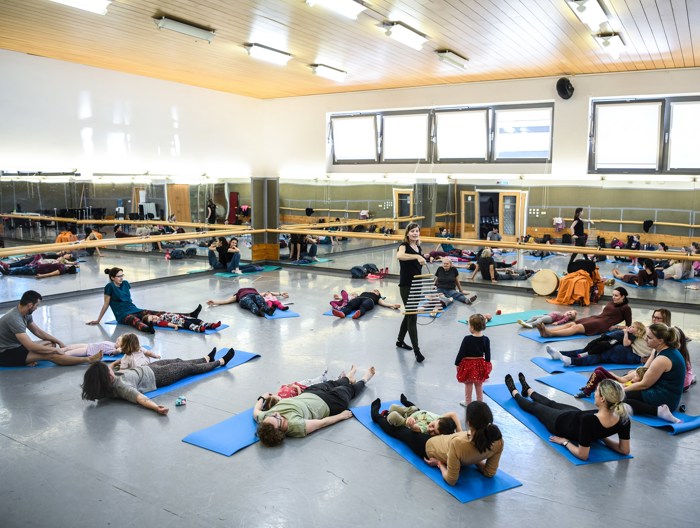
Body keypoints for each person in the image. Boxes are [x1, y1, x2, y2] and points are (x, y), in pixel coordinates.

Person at [371, 398, 503, 485]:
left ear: (469, 423)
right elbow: (489, 472)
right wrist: (475, 460)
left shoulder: (459, 444)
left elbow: (451, 480)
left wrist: (440, 464)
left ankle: (376, 416)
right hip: (446, 440)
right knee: (421, 418)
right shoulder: (497, 440)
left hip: (428, 445)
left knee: (398, 431)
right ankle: (409, 408)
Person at [504, 373, 630, 461]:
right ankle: (528, 389)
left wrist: (565, 442)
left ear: (602, 399)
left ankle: (514, 392)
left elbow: (583, 455)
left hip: (559, 422)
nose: (594, 393)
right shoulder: (624, 418)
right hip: (575, 414)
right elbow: (624, 450)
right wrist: (602, 437)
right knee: (551, 403)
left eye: (596, 391)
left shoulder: (590, 421)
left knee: (535, 407)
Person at [81, 346, 236, 415]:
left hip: (149, 368)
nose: (110, 369)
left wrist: (113, 363)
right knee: (189, 368)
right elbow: (140, 398)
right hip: (159, 377)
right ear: (107, 377)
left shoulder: (110, 379)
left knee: (177, 360)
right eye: (108, 370)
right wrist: (156, 408)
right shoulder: (122, 387)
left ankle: (206, 358)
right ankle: (221, 362)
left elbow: (110, 369)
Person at [254, 365, 376, 446]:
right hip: (330, 403)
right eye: (276, 417)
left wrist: (262, 398)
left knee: (335, 383)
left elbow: (256, 412)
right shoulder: (296, 425)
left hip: (311, 392)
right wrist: (341, 416)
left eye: (271, 415)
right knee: (349, 390)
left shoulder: (266, 419)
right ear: (280, 430)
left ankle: (349, 377)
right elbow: (321, 423)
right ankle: (365, 379)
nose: (275, 413)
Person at [0, 290, 103, 367]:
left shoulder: (25, 313)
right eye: (36, 305)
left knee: (50, 343)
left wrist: (58, 341)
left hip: (17, 346)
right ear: (30, 305)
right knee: (51, 354)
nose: (36, 308)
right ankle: (88, 359)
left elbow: (37, 331)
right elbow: (30, 346)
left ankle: (31, 358)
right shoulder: (14, 319)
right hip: (5, 354)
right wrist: (55, 350)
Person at [87, 267, 203, 333]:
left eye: (122, 275)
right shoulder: (109, 287)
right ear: (112, 277)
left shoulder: (126, 283)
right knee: (135, 321)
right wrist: (98, 320)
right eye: (119, 276)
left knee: (159, 313)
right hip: (122, 314)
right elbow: (106, 304)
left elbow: (128, 300)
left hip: (134, 309)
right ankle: (148, 329)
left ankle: (189, 315)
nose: (121, 278)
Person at [618, 324, 686, 422]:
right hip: (658, 390)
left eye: (649, 338)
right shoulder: (658, 349)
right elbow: (643, 370)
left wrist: (621, 390)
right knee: (620, 396)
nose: (645, 339)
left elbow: (644, 385)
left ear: (660, 341)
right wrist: (624, 380)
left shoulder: (662, 359)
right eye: (646, 336)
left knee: (617, 400)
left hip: (666, 400)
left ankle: (658, 411)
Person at [546, 321, 653, 367]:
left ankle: (572, 361)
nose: (655, 319)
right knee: (593, 347)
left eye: (658, 318)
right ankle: (560, 354)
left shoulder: (654, 335)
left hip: (632, 353)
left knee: (602, 354)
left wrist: (646, 360)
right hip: (623, 343)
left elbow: (656, 353)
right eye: (654, 317)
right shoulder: (647, 328)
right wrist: (618, 328)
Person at [536, 287, 632, 338]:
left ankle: (550, 333)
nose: (613, 297)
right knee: (572, 324)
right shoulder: (611, 302)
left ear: (623, 296)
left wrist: (616, 327)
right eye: (613, 295)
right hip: (597, 318)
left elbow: (629, 326)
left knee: (576, 328)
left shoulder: (626, 308)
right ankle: (547, 331)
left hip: (603, 324)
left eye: (616, 296)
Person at [396, 223, 428, 362]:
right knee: (412, 316)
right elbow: (400, 256)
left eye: (417, 231)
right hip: (406, 285)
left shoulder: (418, 247)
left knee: (410, 314)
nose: (415, 233)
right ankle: (417, 351)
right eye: (412, 231)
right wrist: (416, 257)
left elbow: (416, 262)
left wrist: (422, 258)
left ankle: (400, 340)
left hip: (417, 284)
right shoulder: (403, 246)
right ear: (407, 233)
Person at [455, 314, 492, 406]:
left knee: (468, 384)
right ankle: (480, 402)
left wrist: (457, 363)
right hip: (480, 365)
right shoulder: (486, 339)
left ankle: (468, 402)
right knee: (479, 384)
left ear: (472, 327)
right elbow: (488, 354)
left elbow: (461, 352)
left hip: (468, 365)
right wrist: (487, 365)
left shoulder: (467, 339)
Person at [384, 394, 462, 435]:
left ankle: (387, 416)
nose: (430, 429)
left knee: (393, 416)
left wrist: (412, 425)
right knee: (393, 407)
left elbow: (416, 428)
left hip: (406, 422)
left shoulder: (425, 429)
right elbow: (453, 414)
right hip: (412, 411)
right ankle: (402, 407)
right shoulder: (440, 419)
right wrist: (459, 430)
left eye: (434, 432)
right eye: (432, 426)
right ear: (438, 419)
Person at [261, 368, 330, 410]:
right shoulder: (286, 401)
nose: (274, 395)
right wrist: (297, 387)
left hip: (295, 385)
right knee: (311, 385)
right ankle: (323, 381)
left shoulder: (276, 395)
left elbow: (280, 390)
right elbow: (299, 397)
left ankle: (321, 377)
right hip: (300, 389)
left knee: (308, 380)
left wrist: (286, 386)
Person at [576, 366, 648, 398]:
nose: (634, 376)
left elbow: (622, 387)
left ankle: (587, 392)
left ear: (641, 379)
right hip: (616, 383)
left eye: (636, 376)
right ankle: (589, 386)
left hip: (615, 388)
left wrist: (614, 380)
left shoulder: (636, 385)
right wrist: (614, 375)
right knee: (599, 368)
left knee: (598, 373)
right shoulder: (633, 381)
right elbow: (623, 380)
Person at [331, 289, 400, 319]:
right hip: (359, 298)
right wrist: (339, 298)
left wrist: (392, 305)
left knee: (363, 306)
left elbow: (383, 303)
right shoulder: (364, 293)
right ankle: (343, 314)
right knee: (350, 305)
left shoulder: (378, 298)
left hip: (369, 300)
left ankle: (358, 314)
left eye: (376, 291)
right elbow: (350, 297)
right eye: (374, 290)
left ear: (378, 294)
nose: (374, 290)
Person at [207, 287, 272, 316]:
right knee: (251, 303)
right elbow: (227, 301)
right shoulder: (238, 294)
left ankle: (267, 309)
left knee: (260, 300)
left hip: (254, 294)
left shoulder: (255, 292)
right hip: (244, 297)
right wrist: (214, 302)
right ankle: (258, 311)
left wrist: (277, 293)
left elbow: (266, 293)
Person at [142, 313, 221, 333]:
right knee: (190, 325)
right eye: (153, 320)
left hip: (182, 317)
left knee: (197, 320)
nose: (155, 318)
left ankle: (211, 325)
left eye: (153, 316)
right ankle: (199, 329)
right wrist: (174, 325)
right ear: (153, 323)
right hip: (180, 322)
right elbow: (167, 324)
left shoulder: (161, 315)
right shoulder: (159, 322)